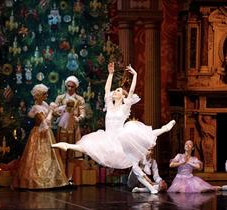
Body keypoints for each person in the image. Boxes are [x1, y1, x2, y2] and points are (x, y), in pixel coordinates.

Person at [52, 63, 176, 194]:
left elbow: (132, 91)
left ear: (122, 97)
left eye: (118, 91)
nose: (115, 91)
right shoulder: (110, 106)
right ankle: (67, 146)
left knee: (143, 138)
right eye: (115, 90)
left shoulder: (125, 107)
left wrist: (135, 75)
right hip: (108, 137)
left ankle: (164, 129)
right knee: (88, 147)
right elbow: (106, 90)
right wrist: (110, 74)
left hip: (121, 138)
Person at [12, 84, 69, 189]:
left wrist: (57, 112)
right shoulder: (36, 108)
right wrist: (52, 111)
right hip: (39, 133)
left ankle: (52, 180)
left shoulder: (44, 104)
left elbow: (50, 118)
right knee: (37, 157)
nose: (46, 96)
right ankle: (36, 181)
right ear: (38, 95)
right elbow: (45, 124)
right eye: (44, 94)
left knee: (50, 156)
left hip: (47, 134)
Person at [54, 75, 86, 172]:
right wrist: (60, 111)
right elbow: (54, 111)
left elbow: (83, 113)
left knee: (72, 152)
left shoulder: (79, 99)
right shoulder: (60, 98)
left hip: (73, 127)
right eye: (68, 86)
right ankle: (62, 176)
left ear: (76, 86)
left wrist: (78, 118)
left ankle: (70, 177)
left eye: (72, 86)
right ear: (66, 86)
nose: (70, 88)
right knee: (62, 151)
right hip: (63, 127)